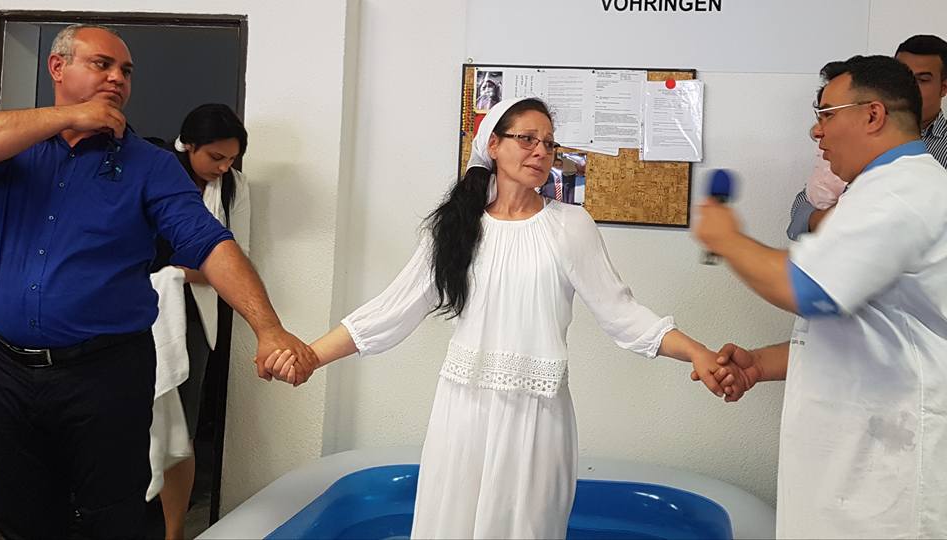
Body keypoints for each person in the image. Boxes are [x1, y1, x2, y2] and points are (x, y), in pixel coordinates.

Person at [265, 97, 743, 538]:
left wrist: (697, 353)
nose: (541, 151)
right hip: (463, 413)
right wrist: (310, 356)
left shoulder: (571, 226)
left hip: (537, 418)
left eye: (549, 143)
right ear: (493, 145)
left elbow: (623, 314)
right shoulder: (455, 228)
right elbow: (392, 311)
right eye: (527, 139)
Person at [0, 24, 314, 538]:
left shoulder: (150, 166)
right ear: (57, 67)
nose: (117, 78)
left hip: (105, 374)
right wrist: (68, 116)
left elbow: (210, 243)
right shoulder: (13, 148)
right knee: (21, 516)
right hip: (9, 371)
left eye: (126, 71)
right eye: (102, 64)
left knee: (110, 517)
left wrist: (268, 329)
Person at [693, 55, 947, 537]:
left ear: (873, 115)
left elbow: (809, 289)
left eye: (826, 114)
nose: (816, 131)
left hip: (886, 482)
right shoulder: (875, 192)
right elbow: (866, 324)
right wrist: (760, 364)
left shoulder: (902, 192)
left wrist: (726, 238)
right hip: (855, 468)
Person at [148, 104, 250, 540]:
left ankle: (174, 531)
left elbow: (237, 258)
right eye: (215, 157)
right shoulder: (155, 171)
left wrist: (178, 274)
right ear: (187, 145)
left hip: (191, 315)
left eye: (232, 159)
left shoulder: (233, 188)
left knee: (181, 425)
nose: (224, 167)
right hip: (134, 308)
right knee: (129, 417)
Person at [787, 34, 947, 240]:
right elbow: (804, 204)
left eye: (922, 80)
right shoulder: (857, 139)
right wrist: (840, 218)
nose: (908, 87)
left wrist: (845, 219)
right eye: (900, 76)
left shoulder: (916, 175)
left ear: (943, 87)